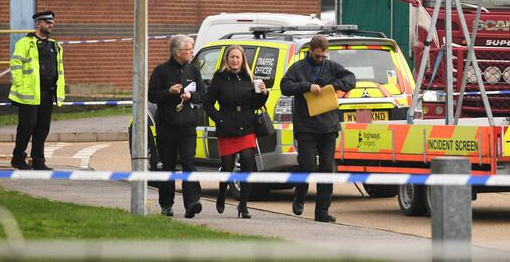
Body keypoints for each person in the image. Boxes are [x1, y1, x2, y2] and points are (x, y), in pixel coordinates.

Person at [280, 34, 356, 222]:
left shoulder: (331, 67)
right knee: (307, 165)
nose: (321, 59)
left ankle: (322, 211)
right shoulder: (298, 68)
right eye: (317, 56)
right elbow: (285, 85)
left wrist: (334, 85)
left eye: (324, 56)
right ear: (310, 51)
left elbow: (351, 78)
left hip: (328, 126)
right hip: (306, 126)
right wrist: (307, 86)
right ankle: (300, 194)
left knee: (326, 168)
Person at [203, 45, 268, 219]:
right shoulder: (219, 78)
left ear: (242, 60)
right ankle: (222, 193)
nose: (235, 60)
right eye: (232, 57)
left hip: (246, 125)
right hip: (227, 125)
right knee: (228, 166)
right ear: (227, 59)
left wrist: (264, 93)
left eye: (238, 57)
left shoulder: (249, 77)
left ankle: (243, 204)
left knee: (247, 160)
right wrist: (220, 120)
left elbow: (256, 104)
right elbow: (208, 103)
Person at [148, 34, 205, 219]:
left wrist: (191, 97)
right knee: (168, 165)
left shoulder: (193, 71)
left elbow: (203, 94)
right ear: (178, 52)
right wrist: (168, 92)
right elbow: (152, 95)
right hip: (167, 126)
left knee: (189, 162)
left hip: (188, 126)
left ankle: (192, 202)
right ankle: (166, 204)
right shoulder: (161, 71)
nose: (192, 52)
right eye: (189, 49)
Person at [9, 11, 65, 170]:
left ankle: (38, 161)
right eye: (48, 22)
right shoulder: (25, 43)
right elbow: (16, 65)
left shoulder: (55, 45)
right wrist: (19, 86)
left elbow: (59, 70)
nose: (51, 25)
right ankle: (18, 158)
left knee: (42, 127)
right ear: (38, 23)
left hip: (48, 92)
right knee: (27, 126)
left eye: (52, 22)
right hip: (29, 92)